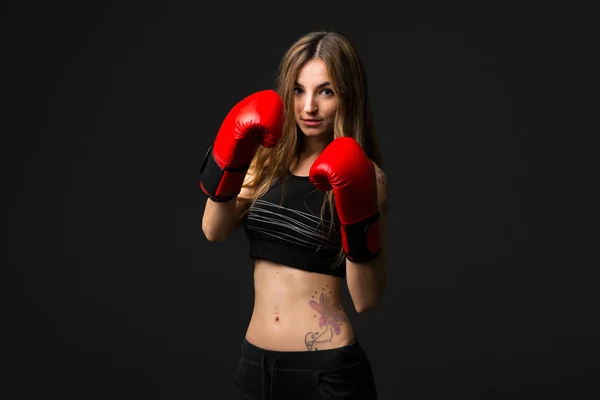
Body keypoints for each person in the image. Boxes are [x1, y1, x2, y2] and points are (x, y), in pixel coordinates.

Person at [200, 31, 388, 400]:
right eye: (299, 90)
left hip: (326, 373)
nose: (309, 108)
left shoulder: (365, 176)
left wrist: (355, 204)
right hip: (256, 366)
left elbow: (366, 299)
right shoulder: (265, 162)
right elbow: (213, 230)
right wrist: (229, 162)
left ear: (348, 96)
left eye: (326, 91)